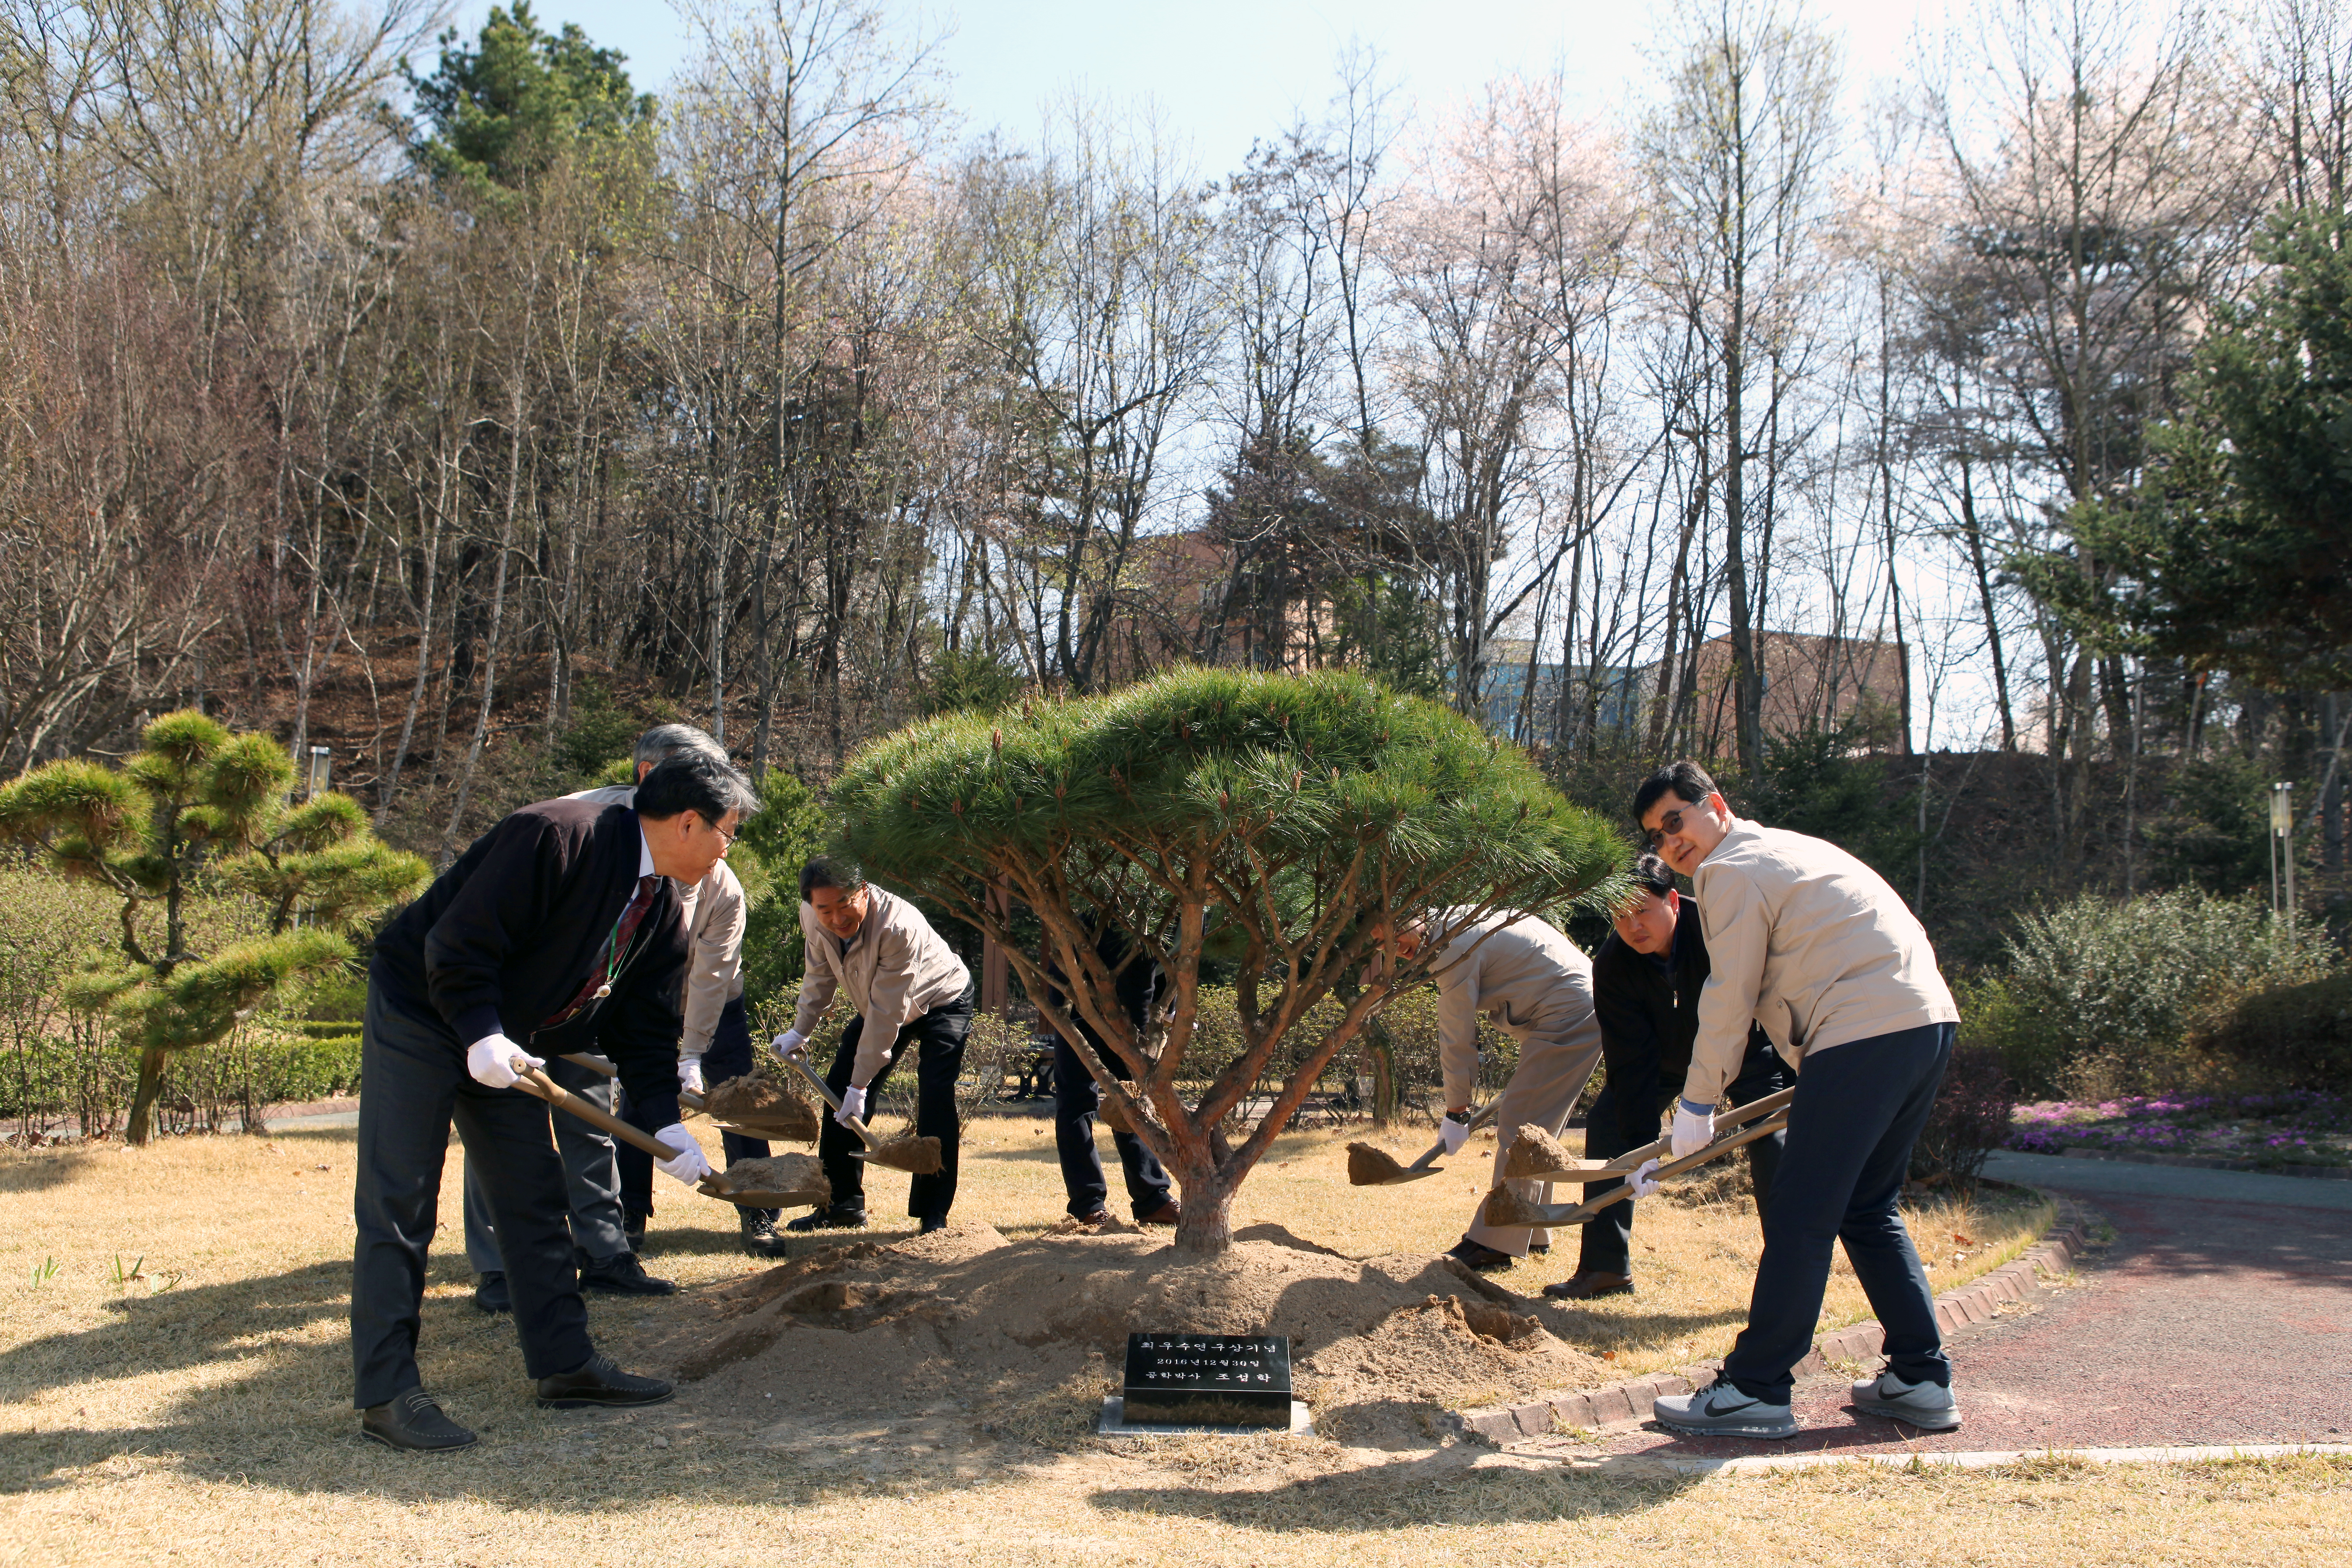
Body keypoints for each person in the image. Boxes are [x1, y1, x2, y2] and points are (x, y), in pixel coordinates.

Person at [350, 750, 757, 1452]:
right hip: (424, 1007)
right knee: (401, 1198)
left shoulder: (658, 906)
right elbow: (458, 941)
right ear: (688, 822)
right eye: (729, 831)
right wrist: (480, 1034)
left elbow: (645, 1028)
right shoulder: (555, 833)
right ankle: (388, 1392)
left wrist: (664, 1121)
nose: (729, 848)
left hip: (507, 1033)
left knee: (534, 1194)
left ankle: (566, 1365)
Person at [1636, 761, 1963, 1440]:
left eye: (1677, 821)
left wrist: (1696, 1102)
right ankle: (1919, 1377)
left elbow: (1728, 995)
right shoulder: (1784, 847)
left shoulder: (1729, 870)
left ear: (1714, 805)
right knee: (1867, 1209)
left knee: (1800, 1213)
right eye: (1658, 837)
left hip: (1863, 1028)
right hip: (1923, 1020)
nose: (1673, 844)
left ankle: (1755, 1388)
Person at [460, 725, 775, 1295]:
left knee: (591, 1120)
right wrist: (486, 1023)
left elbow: (703, 974)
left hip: (606, 1005)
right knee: (501, 1116)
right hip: (523, 999)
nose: (725, 837)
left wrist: (689, 1056)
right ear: (653, 778)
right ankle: (498, 1267)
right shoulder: (572, 824)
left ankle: (604, 1251)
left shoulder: (716, 877)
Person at [1544, 854, 1790, 1301]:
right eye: (1620, 916)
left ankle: (1789, 1272)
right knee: (1608, 1124)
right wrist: (1642, 1149)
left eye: (1642, 910)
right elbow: (1628, 1060)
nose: (1633, 925)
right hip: (1665, 1058)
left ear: (1673, 900)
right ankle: (1605, 1268)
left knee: (1772, 1137)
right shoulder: (1614, 964)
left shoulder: (1719, 928)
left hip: (1743, 1049)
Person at [1387, 907, 1604, 1273]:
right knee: (1537, 1129)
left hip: (1569, 1009)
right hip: (1574, 1002)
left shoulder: (1453, 945)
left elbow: (1457, 1034)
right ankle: (1531, 1231)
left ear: (1417, 914)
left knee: (1522, 1128)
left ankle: (1495, 1242)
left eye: (1397, 933)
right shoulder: (1462, 920)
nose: (1395, 947)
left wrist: (1457, 1110)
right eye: (1382, 943)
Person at [771, 859, 974, 1233]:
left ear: (864, 890)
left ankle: (933, 1215)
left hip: (942, 999)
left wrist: (861, 1085)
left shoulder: (898, 926)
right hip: (879, 1001)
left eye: (845, 903)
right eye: (825, 909)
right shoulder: (813, 915)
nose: (837, 918)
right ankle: (841, 1204)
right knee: (837, 1095)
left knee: (935, 1092)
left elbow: (887, 1014)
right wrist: (800, 1031)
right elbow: (819, 975)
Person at [1046, 920, 1178, 1227]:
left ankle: (1153, 1199)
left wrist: (1172, 1007)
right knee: (1077, 1099)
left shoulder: (1186, 900)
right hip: (1076, 982)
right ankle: (1088, 1203)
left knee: (1133, 1094)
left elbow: (1183, 958)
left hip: (1135, 992)